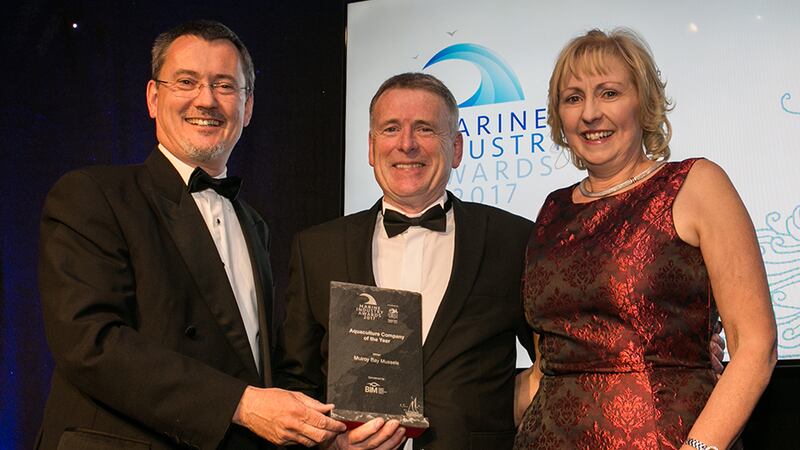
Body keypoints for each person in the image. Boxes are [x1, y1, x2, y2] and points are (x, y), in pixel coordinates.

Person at [36, 20, 344, 449]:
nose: (206, 100)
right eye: (186, 81)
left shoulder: (255, 226)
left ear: (248, 106)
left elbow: (256, 369)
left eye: (225, 86)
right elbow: (91, 343)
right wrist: (241, 404)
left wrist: (327, 429)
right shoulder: (93, 195)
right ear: (152, 97)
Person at [513, 28, 777, 449]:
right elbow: (547, 363)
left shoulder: (695, 184)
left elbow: (755, 347)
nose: (590, 114)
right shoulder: (552, 211)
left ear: (644, 102)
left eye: (610, 93)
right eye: (573, 98)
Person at [273, 72, 537, 450]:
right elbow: (297, 383)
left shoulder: (512, 240)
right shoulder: (317, 248)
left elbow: (554, 363)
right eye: (391, 128)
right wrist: (332, 443)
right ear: (370, 147)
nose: (407, 144)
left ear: (457, 148)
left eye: (425, 129)